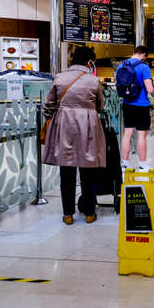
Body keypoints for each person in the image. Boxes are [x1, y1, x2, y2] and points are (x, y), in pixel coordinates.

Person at [43, 46, 106, 225]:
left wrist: (50, 118)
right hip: (88, 125)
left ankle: (68, 214)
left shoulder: (60, 77)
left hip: (65, 125)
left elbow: (49, 105)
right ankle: (89, 213)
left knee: (67, 171)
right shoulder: (93, 81)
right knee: (88, 171)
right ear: (89, 62)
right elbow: (100, 105)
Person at [120, 45, 154, 171]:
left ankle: (125, 163)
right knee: (141, 136)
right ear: (143, 54)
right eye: (145, 57)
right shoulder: (144, 67)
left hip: (127, 103)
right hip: (141, 105)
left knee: (127, 134)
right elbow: (149, 89)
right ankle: (142, 164)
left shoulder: (122, 65)